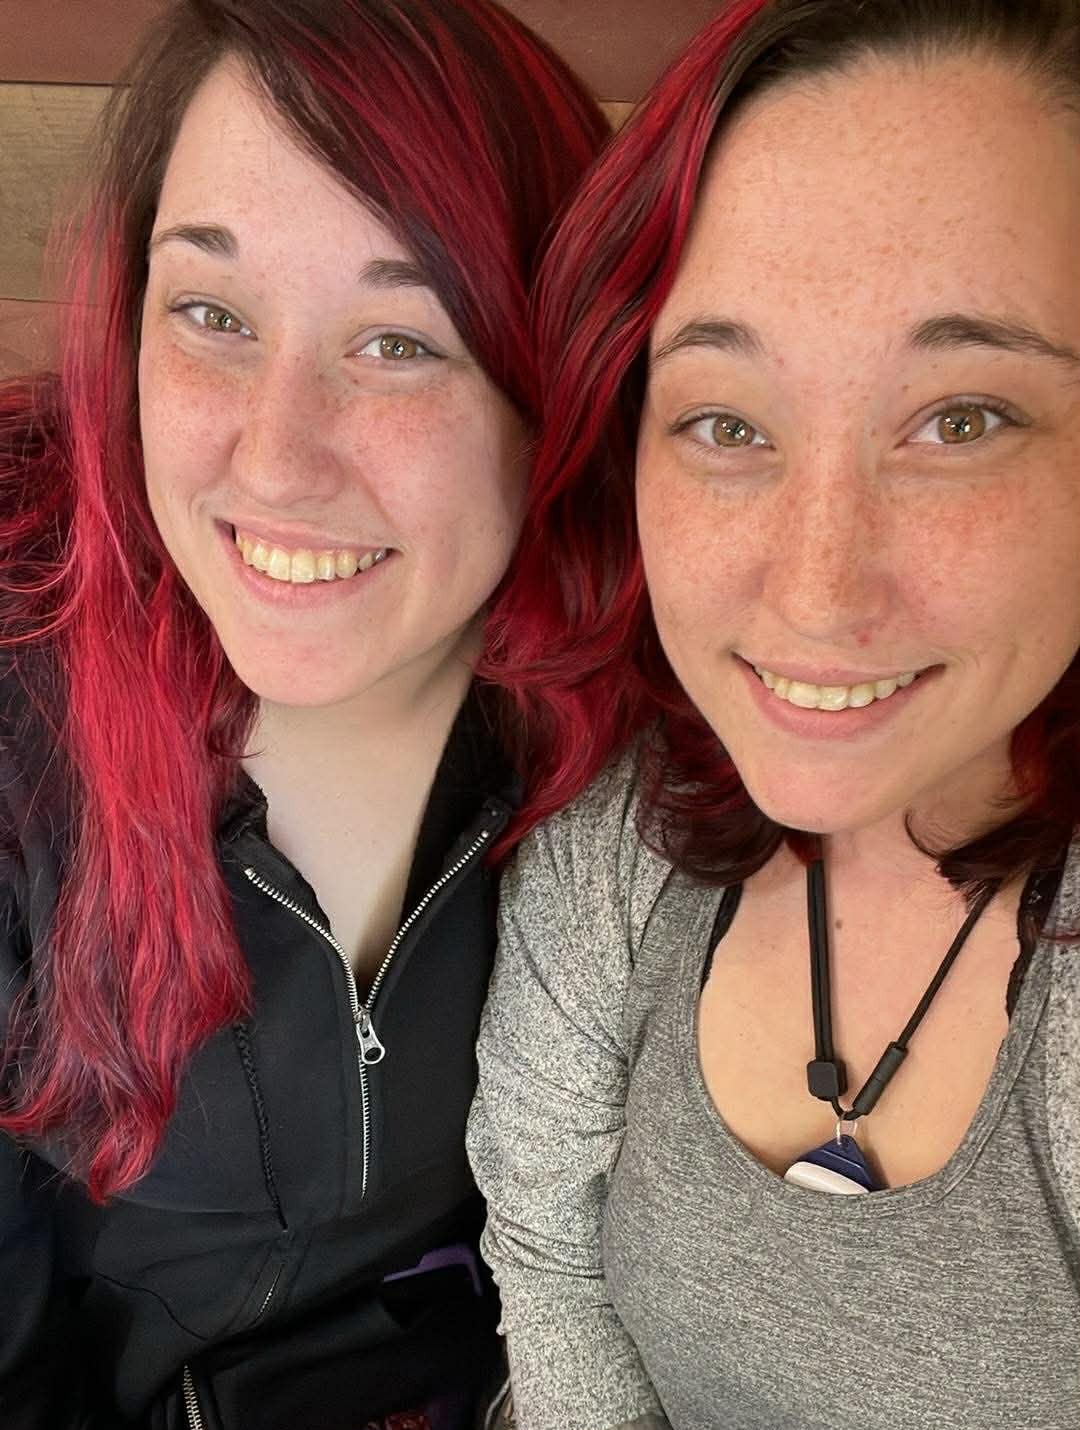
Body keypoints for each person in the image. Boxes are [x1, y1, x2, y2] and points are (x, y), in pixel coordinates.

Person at [468, 0, 1080, 1425]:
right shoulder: (629, 839)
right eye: (727, 423)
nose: (814, 591)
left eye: (961, 417)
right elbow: (549, 1254)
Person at [0, 2, 605, 1426]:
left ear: (558, 377)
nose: (274, 459)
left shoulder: (658, 720)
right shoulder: (27, 727)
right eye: (211, 314)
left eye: (398, 342)